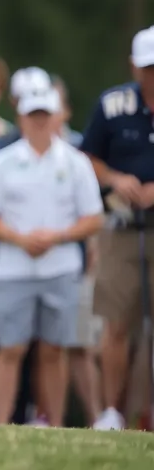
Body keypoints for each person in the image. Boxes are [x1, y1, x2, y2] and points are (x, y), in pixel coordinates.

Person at [0, 86, 104, 427]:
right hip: (12, 270)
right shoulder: (2, 162)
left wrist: (58, 236)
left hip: (60, 268)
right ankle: (2, 422)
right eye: (34, 116)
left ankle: (55, 423)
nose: (40, 122)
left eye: (46, 115)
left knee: (53, 349)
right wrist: (19, 238)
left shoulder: (75, 163)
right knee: (10, 349)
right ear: (22, 119)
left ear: (58, 117)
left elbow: (93, 217)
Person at [79, 26, 154, 431]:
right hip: (122, 227)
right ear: (134, 67)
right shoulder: (112, 105)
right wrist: (115, 178)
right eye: (149, 68)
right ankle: (112, 411)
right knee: (116, 323)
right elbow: (87, 158)